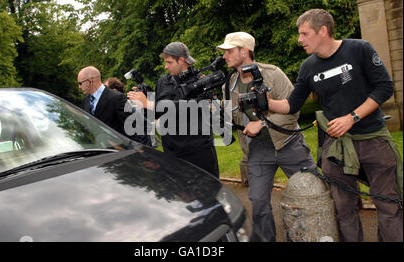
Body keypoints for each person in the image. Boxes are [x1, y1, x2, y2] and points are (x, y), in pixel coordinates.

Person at [267, 9, 403, 242]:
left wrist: (352, 117)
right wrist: (266, 103)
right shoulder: (308, 67)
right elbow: (292, 105)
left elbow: (384, 87)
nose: (300, 39)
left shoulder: (360, 49)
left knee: (388, 205)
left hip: (373, 139)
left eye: (304, 33)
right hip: (337, 149)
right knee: (344, 208)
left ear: (322, 31)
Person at [216, 32, 317, 241]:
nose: (225, 56)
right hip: (259, 151)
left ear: (245, 52)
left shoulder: (273, 74)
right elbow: (230, 113)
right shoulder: (230, 83)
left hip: (289, 144)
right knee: (258, 203)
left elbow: (293, 112)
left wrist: (261, 123)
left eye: (229, 51)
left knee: (312, 194)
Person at [127, 42, 219, 178]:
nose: (165, 66)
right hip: (171, 151)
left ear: (181, 60)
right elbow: (156, 114)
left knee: (208, 194)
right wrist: (143, 102)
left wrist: (150, 103)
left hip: (198, 151)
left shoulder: (200, 81)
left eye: (169, 62)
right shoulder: (163, 81)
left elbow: (187, 107)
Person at [77, 66, 128, 135]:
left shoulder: (117, 98)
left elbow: (133, 127)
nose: (79, 87)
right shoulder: (85, 101)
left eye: (80, 83)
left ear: (91, 81)